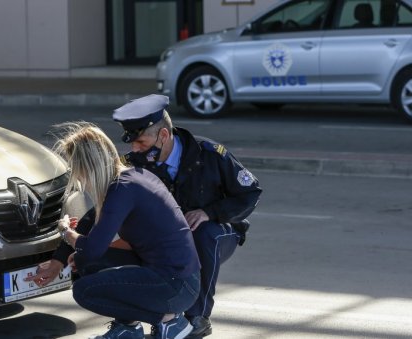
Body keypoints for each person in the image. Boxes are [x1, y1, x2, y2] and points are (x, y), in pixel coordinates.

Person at [112, 94, 262, 338]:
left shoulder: (210, 154)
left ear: (163, 135)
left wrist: (209, 212)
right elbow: (107, 206)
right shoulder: (133, 164)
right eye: (132, 143)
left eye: (141, 142)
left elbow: (250, 193)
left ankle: (197, 317)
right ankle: (130, 321)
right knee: (128, 243)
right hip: (167, 237)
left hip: (217, 231)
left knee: (203, 234)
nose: (135, 149)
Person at [39, 121, 201, 339]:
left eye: (77, 170)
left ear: (89, 166)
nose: (77, 178)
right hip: (180, 279)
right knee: (85, 264)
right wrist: (66, 255)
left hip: (176, 285)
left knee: (84, 291)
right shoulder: (132, 177)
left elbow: (93, 248)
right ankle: (128, 328)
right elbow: (90, 227)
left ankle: (170, 321)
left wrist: (68, 233)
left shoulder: (121, 190)